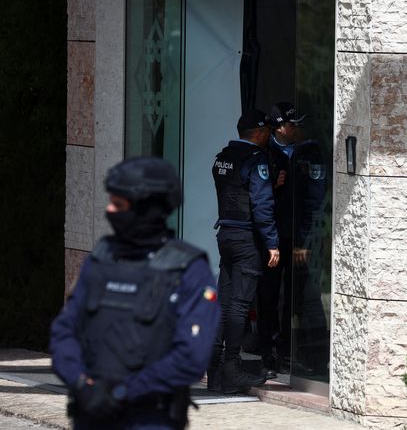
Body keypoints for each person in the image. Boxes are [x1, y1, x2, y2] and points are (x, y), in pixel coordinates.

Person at [50, 157, 219, 429]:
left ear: (146, 209)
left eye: (119, 204)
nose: (108, 210)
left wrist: (122, 393)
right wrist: (81, 384)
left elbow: (191, 357)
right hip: (90, 414)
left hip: (149, 419)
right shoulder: (101, 260)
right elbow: (64, 331)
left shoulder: (187, 270)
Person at [209, 109, 280, 393]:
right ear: (259, 133)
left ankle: (214, 370)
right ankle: (232, 370)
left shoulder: (223, 157)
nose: (268, 136)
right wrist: (272, 242)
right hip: (246, 237)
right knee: (239, 305)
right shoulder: (255, 160)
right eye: (266, 132)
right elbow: (262, 205)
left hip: (225, 234)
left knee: (223, 302)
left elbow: (235, 191)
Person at [257, 102, 328, 376]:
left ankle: (301, 353)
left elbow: (315, 199)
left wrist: (303, 240)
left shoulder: (309, 151)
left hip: (300, 239)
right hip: (272, 238)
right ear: (280, 128)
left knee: (302, 295)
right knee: (269, 296)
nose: (298, 128)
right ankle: (269, 353)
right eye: (293, 124)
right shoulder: (264, 152)